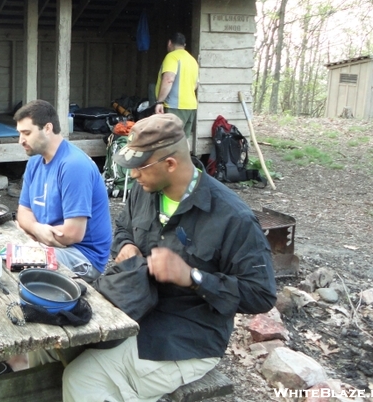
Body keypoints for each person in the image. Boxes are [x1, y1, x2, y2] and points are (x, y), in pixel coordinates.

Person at [61, 113, 276, 402]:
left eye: (140, 167)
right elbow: (124, 226)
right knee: (61, 345)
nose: (133, 175)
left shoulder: (232, 217)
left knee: (83, 380)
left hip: (188, 334)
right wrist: (126, 246)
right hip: (135, 306)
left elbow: (261, 295)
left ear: (170, 164)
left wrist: (193, 277)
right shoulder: (146, 188)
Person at [14, 100, 112, 280]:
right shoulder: (34, 162)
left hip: (82, 255)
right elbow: (23, 212)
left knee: (21, 267)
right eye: (19, 134)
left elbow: (72, 234)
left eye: (27, 133)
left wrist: (32, 232)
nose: (21, 140)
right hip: (48, 242)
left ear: (48, 128)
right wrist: (36, 228)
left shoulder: (73, 165)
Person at [154, 32, 199, 139]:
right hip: (190, 107)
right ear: (184, 45)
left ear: (169, 43)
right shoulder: (192, 60)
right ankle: (184, 156)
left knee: (170, 141)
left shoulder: (172, 57)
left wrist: (160, 101)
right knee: (183, 140)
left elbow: (169, 79)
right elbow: (196, 84)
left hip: (175, 107)